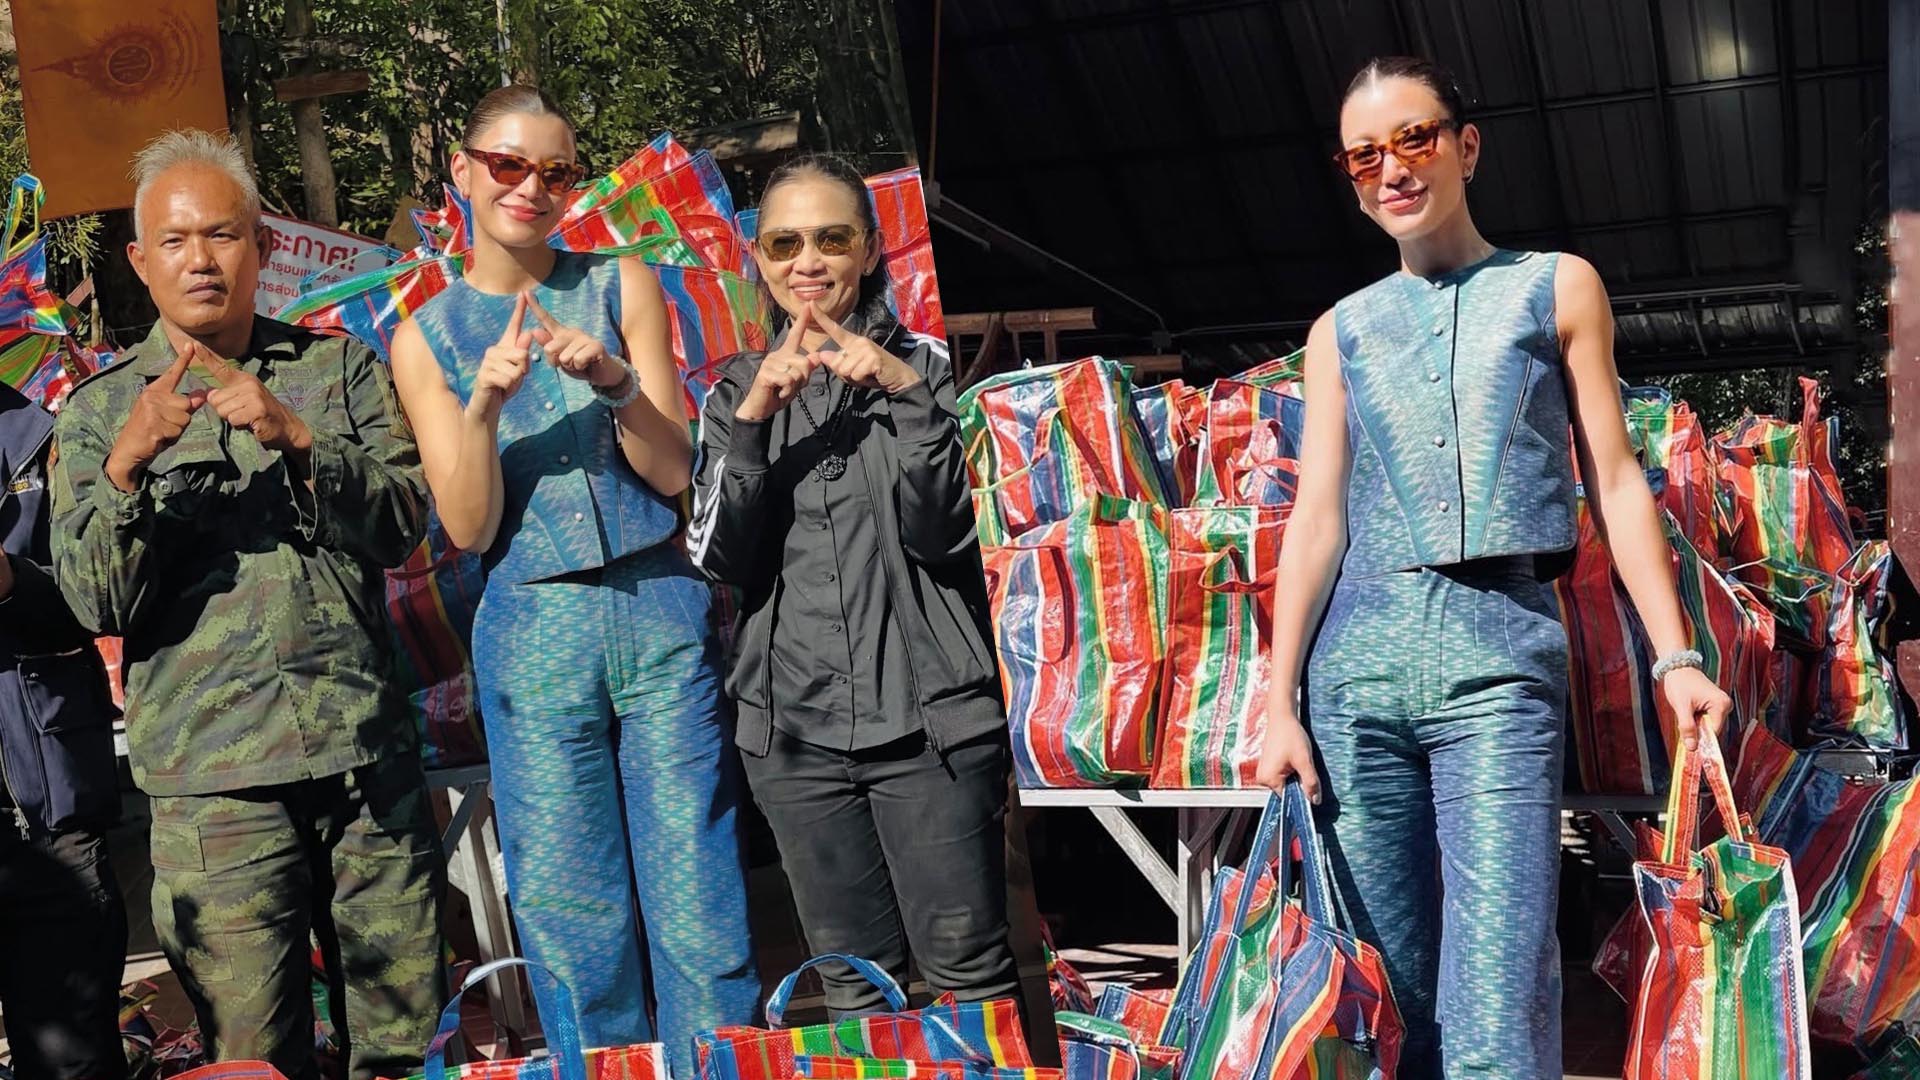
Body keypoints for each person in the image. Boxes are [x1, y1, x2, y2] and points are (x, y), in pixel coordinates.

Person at [1253, 57, 1734, 1077]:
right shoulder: (1339, 332)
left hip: (1501, 660)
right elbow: (1318, 516)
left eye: (1415, 139)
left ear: (1465, 146)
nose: (1393, 169)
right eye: (1364, 156)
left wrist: (1676, 657)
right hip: (1356, 675)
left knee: (1502, 980)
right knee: (1384, 983)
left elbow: (1615, 480)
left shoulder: (1555, 285)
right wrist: (1280, 700)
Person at [49, 129, 444, 1080]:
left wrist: (300, 439)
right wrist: (127, 466)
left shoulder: (337, 371)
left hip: (364, 765)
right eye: (175, 241)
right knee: (251, 1059)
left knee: (403, 1048)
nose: (202, 260)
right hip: (215, 791)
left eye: (222, 234)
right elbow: (93, 600)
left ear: (261, 245)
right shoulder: (98, 412)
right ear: (139, 261)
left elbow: (403, 525)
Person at [386, 86, 758, 1064]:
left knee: (700, 893)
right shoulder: (425, 338)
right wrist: (482, 409)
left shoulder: (620, 284)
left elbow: (674, 474)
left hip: (658, 602)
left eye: (555, 172)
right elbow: (467, 526)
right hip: (533, 627)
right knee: (571, 914)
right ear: (463, 171)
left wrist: (616, 384)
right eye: (507, 165)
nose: (530, 187)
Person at [688, 153, 1020, 1016]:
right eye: (784, 243)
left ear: (871, 250)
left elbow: (952, 535)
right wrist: (754, 426)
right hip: (794, 740)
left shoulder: (931, 371)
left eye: (831, 239)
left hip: (931, 727)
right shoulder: (733, 392)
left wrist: (904, 394)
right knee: (852, 989)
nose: (808, 261)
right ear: (759, 260)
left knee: (971, 980)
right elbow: (717, 557)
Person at [0, 379, 129, 1080]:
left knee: (74, 1066)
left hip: (47, 821)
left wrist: (12, 582)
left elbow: (103, 596)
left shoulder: (44, 438)